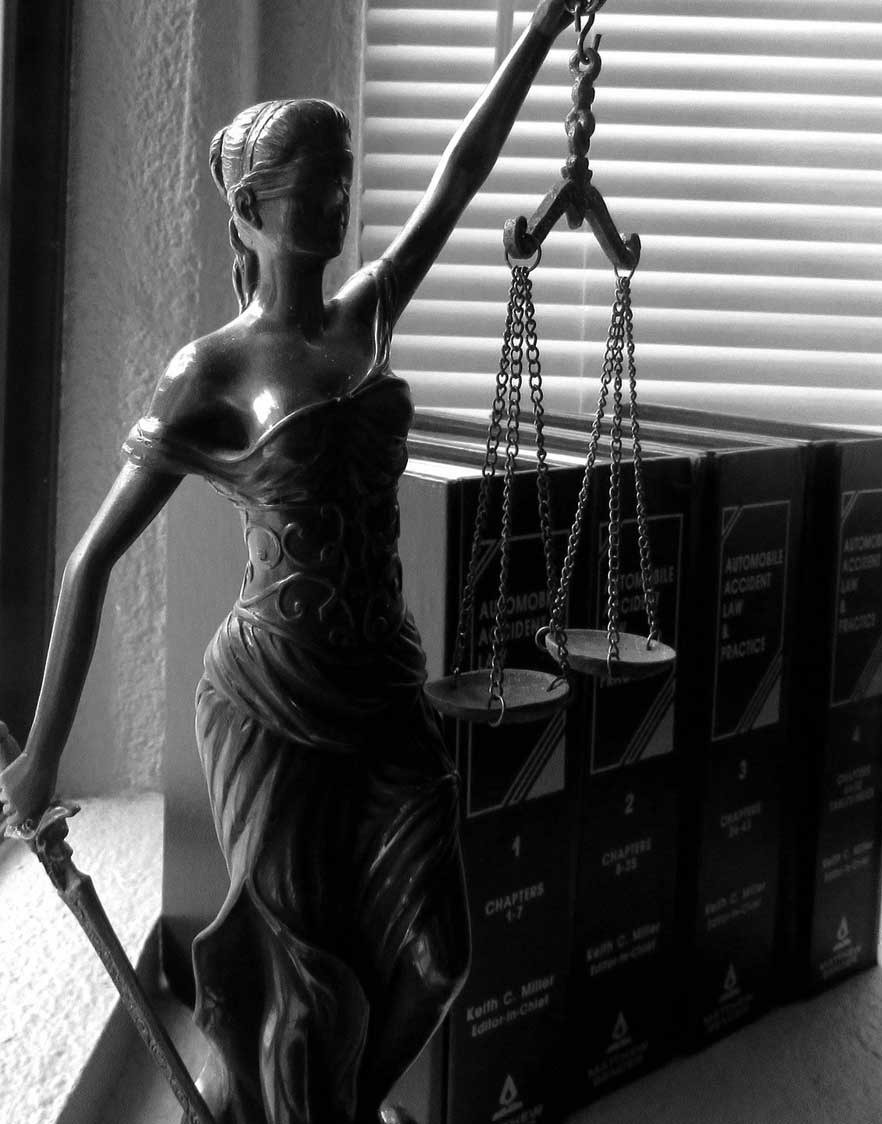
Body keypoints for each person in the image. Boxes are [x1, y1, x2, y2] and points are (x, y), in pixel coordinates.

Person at [0, 3, 588, 1121]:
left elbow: (462, 175)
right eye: (312, 184)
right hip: (269, 700)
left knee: (435, 954)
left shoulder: (367, 318)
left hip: (383, 688)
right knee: (305, 988)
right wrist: (37, 758)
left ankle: (313, 1109)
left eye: (344, 178)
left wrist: (548, 22)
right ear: (251, 208)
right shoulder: (207, 374)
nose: (337, 201)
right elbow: (89, 564)